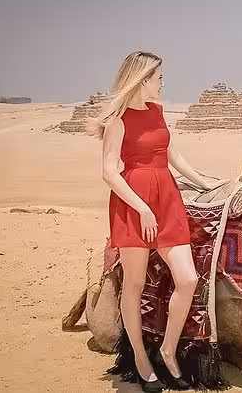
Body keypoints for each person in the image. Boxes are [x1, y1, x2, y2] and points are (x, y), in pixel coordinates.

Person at [88, 51, 212, 392]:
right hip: (133, 204)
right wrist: (141, 207)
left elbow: (172, 155)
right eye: (158, 77)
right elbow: (109, 172)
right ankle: (142, 359)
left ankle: (168, 350)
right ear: (142, 80)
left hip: (167, 199)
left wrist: (205, 182)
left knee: (187, 279)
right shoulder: (118, 121)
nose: (162, 82)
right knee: (134, 285)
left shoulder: (158, 112)